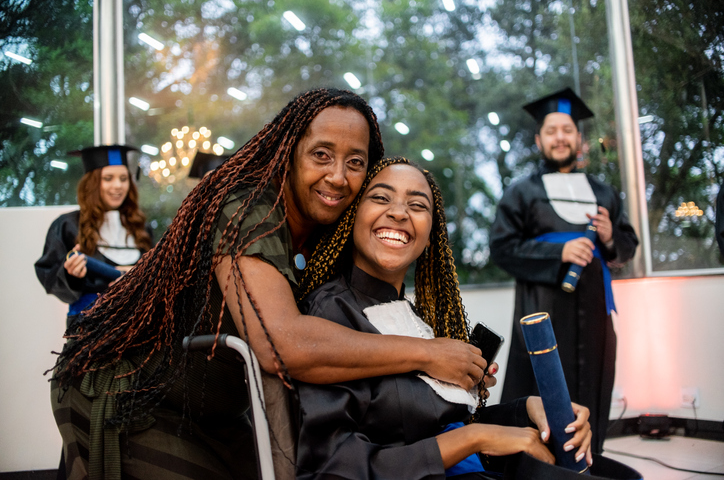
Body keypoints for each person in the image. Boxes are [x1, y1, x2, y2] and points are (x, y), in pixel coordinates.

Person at [49, 88, 487, 480]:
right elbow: (285, 345)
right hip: (131, 389)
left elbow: (343, 353)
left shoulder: (324, 229)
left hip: (212, 407)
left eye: (356, 163)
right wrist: (429, 355)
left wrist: (450, 377)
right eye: (321, 155)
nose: (338, 176)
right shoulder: (249, 212)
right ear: (288, 152)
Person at [295, 157, 593, 479]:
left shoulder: (414, 317)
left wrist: (527, 411)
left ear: (430, 234)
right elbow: (332, 466)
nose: (399, 212)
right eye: (381, 198)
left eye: (418, 205)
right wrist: (474, 437)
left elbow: (431, 426)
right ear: (352, 216)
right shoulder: (329, 313)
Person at [489, 88, 639, 454]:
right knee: (542, 395)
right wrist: (559, 252)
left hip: (595, 316)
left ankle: (591, 462)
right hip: (543, 312)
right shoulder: (521, 193)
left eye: (567, 130)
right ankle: (536, 469)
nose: (560, 137)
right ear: (540, 139)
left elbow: (628, 245)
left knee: (594, 385)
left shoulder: (604, 193)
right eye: (552, 131)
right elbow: (502, 249)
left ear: (579, 139)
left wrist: (608, 236)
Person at [34, 144, 153, 327]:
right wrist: (71, 274)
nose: (117, 186)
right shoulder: (68, 226)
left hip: (137, 324)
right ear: (93, 182)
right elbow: (48, 276)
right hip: (89, 326)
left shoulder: (140, 226)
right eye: (108, 178)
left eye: (123, 178)